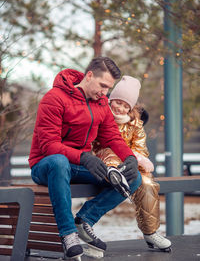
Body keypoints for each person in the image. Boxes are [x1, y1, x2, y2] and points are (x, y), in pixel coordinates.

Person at [28, 57, 142, 260]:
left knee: (133, 179)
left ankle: (85, 220)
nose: (105, 93)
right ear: (89, 76)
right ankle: (68, 234)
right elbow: (49, 146)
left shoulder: (100, 104)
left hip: (77, 165)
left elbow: (112, 137)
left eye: (109, 88)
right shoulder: (54, 98)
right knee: (59, 161)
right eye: (103, 85)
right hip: (46, 165)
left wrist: (130, 158)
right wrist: (84, 157)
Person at [93, 75, 172, 251]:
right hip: (104, 161)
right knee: (110, 153)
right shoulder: (100, 115)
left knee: (148, 183)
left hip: (130, 162)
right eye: (117, 102)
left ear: (131, 107)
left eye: (125, 105)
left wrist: (137, 157)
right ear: (111, 99)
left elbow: (140, 147)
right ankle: (115, 174)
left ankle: (151, 232)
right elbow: (94, 144)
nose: (120, 108)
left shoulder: (135, 123)